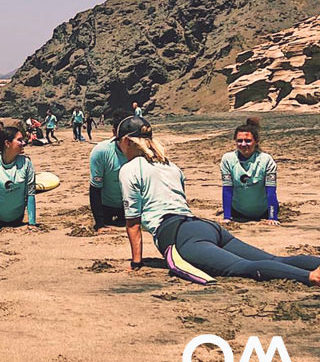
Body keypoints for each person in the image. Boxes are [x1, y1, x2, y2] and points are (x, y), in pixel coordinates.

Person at [116, 117, 320, 285]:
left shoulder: (129, 169)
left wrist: (136, 263)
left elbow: (133, 221)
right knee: (273, 259)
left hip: (179, 236)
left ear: (126, 141)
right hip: (203, 226)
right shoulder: (170, 166)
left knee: (242, 267)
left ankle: (311, 276)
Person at [221, 118, 279, 225]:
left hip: (263, 212)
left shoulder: (266, 160)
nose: (243, 144)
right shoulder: (227, 159)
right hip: (238, 212)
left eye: (248, 141)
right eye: (239, 141)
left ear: (256, 142)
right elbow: (227, 189)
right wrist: (227, 217)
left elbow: (271, 190)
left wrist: (273, 217)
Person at [89, 118, 128, 230]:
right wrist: (99, 224)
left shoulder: (142, 152)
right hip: (106, 206)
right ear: (114, 132)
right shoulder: (101, 151)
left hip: (130, 207)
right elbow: (95, 188)